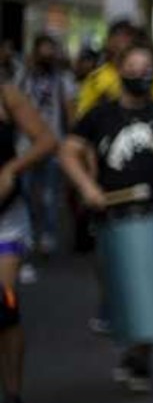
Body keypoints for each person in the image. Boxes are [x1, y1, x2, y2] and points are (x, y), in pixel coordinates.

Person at [58, 40, 153, 393]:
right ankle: (130, 346)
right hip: (112, 211)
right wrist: (87, 186)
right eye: (134, 67)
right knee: (116, 284)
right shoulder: (101, 114)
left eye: (146, 67)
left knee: (147, 289)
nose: (140, 73)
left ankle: (140, 358)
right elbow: (68, 151)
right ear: (120, 71)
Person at [0, 77, 59, 403]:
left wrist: (11, 169)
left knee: (4, 305)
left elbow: (47, 139)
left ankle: (13, 399)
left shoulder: (6, 94)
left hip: (5, 223)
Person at [18, 34, 74, 257]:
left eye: (51, 49)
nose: (47, 54)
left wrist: (70, 140)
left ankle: (47, 235)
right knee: (26, 193)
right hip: (25, 145)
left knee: (50, 195)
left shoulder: (63, 79)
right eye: (43, 48)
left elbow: (69, 111)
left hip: (54, 144)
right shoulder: (25, 77)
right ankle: (30, 234)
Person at [73, 19, 153, 119]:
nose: (124, 41)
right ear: (109, 41)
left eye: (129, 35)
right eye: (119, 35)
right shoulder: (96, 77)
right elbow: (83, 116)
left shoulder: (152, 74)